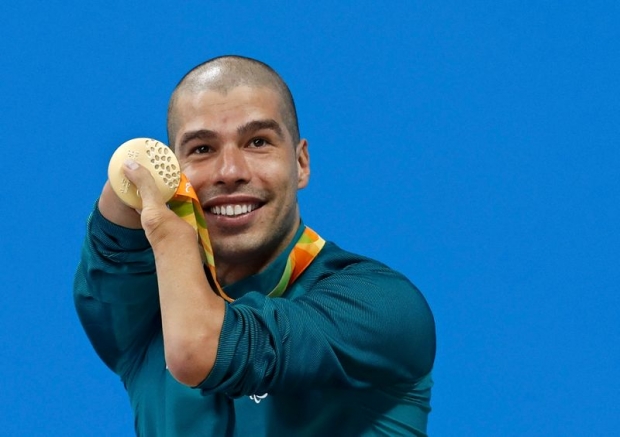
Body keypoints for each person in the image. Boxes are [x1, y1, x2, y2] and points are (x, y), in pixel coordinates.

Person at [74, 55, 436, 436]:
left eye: (258, 142)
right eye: (201, 149)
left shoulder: (380, 306)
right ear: (177, 172)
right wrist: (140, 172)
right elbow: (113, 242)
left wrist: (168, 234)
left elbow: (200, 350)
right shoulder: (146, 316)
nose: (230, 172)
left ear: (301, 162)